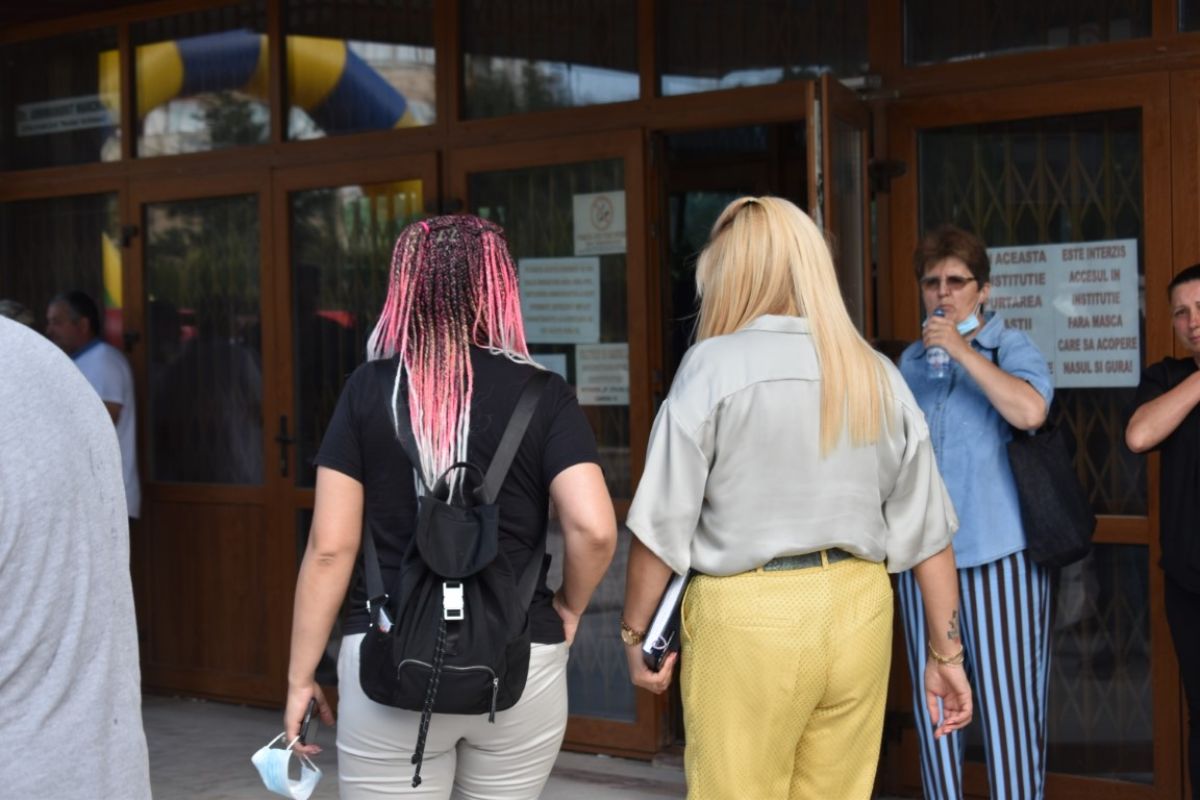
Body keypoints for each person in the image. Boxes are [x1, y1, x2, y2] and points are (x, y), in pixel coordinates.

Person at [621, 197, 972, 800]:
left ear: (730, 274)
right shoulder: (876, 371)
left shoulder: (712, 367)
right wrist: (948, 655)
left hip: (748, 616)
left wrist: (635, 636)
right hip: (860, 611)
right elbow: (929, 535)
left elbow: (660, 528)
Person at [285, 214, 618, 799]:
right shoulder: (543, 393)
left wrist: (300, 677)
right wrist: (568, 609)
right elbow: (593, 528)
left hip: (389, 653)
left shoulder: (369, 390)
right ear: (498, 287)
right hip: (518, 653)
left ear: (404, 288)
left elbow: (330, 548)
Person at [897, 224, 1054, 800]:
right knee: (936, 704)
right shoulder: (908, 363)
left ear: (983, 290)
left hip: (996, 557)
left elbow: (1030, 411)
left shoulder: (1009, 347)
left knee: (1010, 710)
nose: (943, 293)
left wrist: (962, 349)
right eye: (931, 282)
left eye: (957, 281)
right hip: (922, 561)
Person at [0, 316, 151, 799]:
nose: (53, 328)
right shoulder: (54, 367)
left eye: (59, 320)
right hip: (101, 767)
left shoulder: (90, 366)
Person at [1125, 262, 1200, 799]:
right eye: (1181, 312)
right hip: (1190, 584)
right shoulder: (1167, 378)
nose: (1193, 322)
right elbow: (1138, 435)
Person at [45, 289, 140, 520]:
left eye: (57, 322)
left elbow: (102, 424)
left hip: (107, 502)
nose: (49, 330)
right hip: (89, 501)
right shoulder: (79, 361)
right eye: (49, 322)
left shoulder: (104, 362)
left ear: (83, 325)